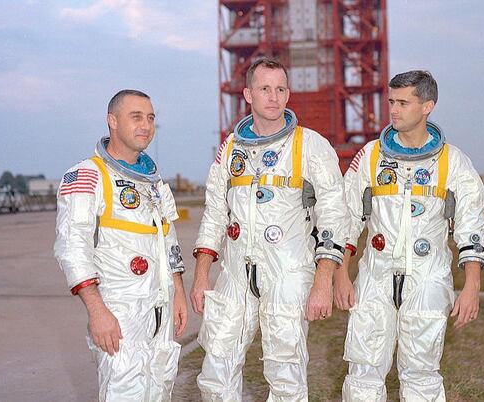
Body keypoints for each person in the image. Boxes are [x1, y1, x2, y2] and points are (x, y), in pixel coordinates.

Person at [190, 58, 349, 401]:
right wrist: (202, 274)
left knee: (285, 371)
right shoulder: (231, 148)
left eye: (280, 89)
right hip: (235, 274)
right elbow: (215, 212)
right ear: (248, 94)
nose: (273, 97)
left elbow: (335, 217)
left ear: (288, 94)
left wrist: (323, 281)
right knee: (217, 366)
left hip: (288, 273)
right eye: (265, 88)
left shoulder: (310, 145)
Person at [335, 70, 484, 401]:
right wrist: (341, 274)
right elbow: (347, 217)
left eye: (403, 102)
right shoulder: (371, 157)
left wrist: (471, 286)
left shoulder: (453, 163)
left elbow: (471, 227)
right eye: (391, 101)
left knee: (421, 375)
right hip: (375, 277)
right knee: (362, 371)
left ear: (428, 106)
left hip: (427, 278)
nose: (394, 109)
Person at [54, 89, 187, 401]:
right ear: (112, 121)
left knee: (160, 390)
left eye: (151, 118)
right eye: (136, 117)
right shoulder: (88, 174)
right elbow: (72, 246)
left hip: (159, 309)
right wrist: (97, 310)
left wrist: (177, 291)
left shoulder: (154, 183)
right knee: (124, 393)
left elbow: (167, 237)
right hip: (119, 313)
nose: (146, 125)